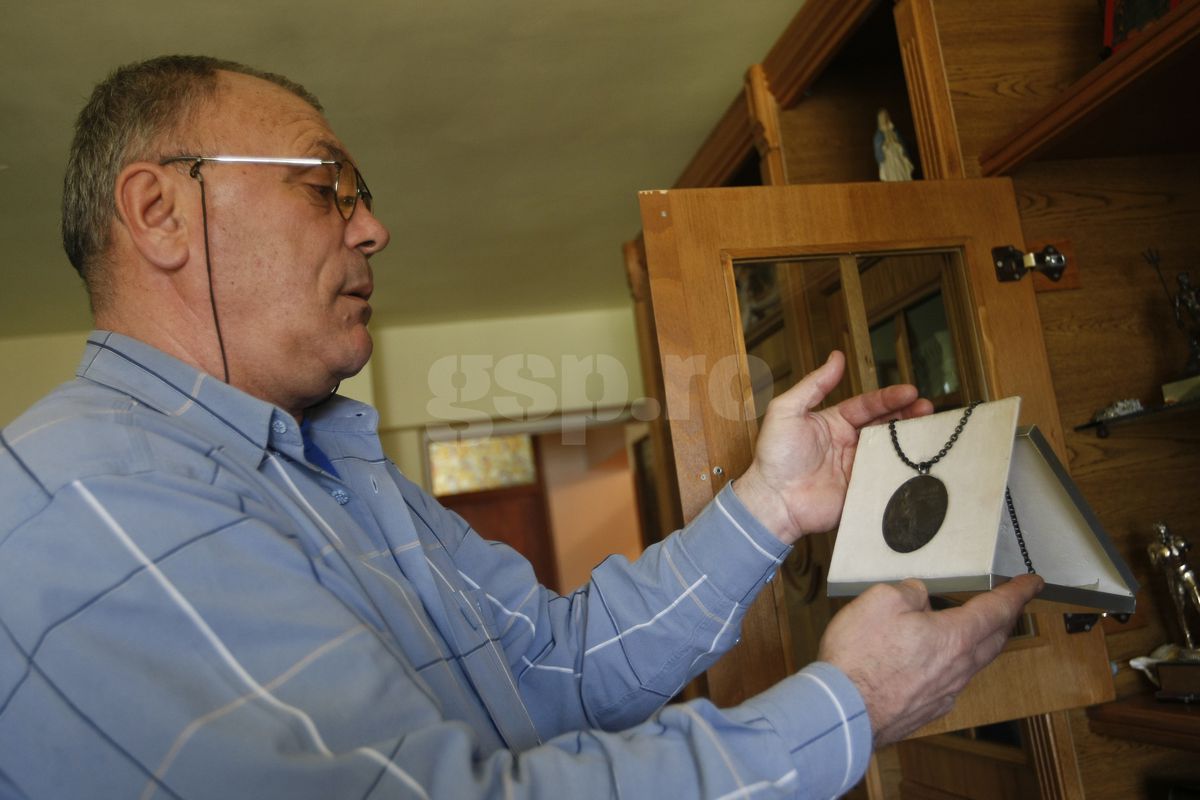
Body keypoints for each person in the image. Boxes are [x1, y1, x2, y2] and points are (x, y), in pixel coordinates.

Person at [0, 56, 1041, 799]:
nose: (374, 226)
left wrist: (772, 504)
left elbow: (561, 666)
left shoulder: (337, 470)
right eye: (327, 187)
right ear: (160, 212)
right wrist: (851, 703)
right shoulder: (87, 494)